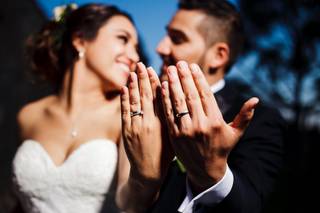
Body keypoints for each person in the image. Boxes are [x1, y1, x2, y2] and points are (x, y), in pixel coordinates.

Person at [119, 0, 286, 212]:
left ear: (218, 56)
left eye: (177, 39)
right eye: (166, 34)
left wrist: (212, 173)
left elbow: (252, 205)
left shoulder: (261, 120)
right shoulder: (146, 110)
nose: (160, 47)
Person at [11, 3, 140, 212]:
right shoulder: (29, 116)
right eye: (123, 39)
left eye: (135, 48)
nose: (134, 56)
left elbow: (133, 198)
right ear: (80, 41)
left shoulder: (124, 113)